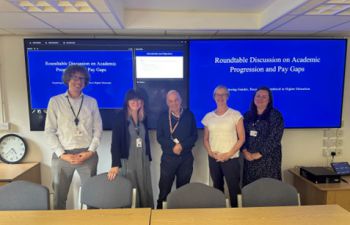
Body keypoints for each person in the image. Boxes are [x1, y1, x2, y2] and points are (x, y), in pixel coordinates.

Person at [45, 65, 102, 209]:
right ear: (67, 79)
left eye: (82, 78)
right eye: (75, 77)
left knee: (92, 198)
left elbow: (98, 129)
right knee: (59, 198)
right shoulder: (55, 101)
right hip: (62, 155)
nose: (78, 81)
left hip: (87, 154)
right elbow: (49, 131)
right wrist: (62, 154)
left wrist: (90, 151)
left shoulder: (92, 102)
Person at [107, 89, 154, 208]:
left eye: (138, 99)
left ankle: (146, 216)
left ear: (142, 102)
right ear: (127, 101)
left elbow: (145, 140)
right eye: (132, 99)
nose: (136, 102)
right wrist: (115, 164)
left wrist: (148, 158)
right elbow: (115, 143)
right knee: (130, 190)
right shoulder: (120, 117)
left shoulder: (143, 117)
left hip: (143, 160)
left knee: (144, 189)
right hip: (128, 160)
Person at [202, 85, 245, 207]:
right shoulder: (208, 117)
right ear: (214, 97)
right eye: (217, 95)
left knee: (234, 189)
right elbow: (205, 139)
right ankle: (219, 216)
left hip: (231, 159)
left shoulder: (236, 115)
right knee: (217, 188)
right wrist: (211, 153)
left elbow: (242, 138)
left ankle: (237, 216)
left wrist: (228, 155)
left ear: (228, 96)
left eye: (223, 94)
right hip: (214, 158)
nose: (220, 97)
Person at [156, 90, 198, 209]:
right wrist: (173, 146)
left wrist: (182, 146)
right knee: (164, 192)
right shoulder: (163, 117)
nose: (174, 103)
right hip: (168, 159)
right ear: (167, 102)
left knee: (183, 193)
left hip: (186, 159)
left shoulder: (189, 115)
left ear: (181, 100)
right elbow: (159, 137)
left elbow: (194, 136)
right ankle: (159, 218)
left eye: (176, 100)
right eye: (170, 101)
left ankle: (181, 219)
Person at [241, 87, 284, 186]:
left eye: (264, 97)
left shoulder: (275, 115)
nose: (260, 98)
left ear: (269, 100)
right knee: (251, 189)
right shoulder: (247, 115)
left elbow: (275, 138)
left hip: (269, 160)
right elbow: (241, 135)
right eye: (258, 96)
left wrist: (260, 153)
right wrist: (245, 151)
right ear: (254, 98)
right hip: (249, 159)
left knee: (268, 189)